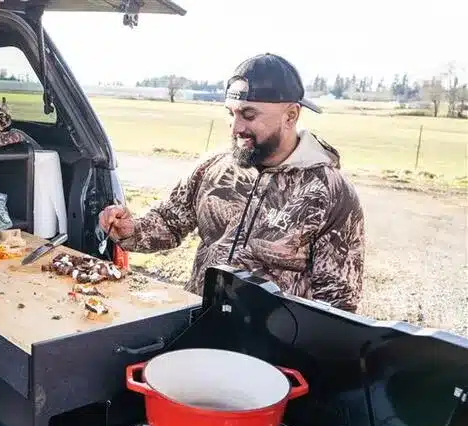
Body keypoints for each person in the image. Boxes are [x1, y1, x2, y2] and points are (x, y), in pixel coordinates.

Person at [99, 53, 365, 312]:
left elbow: (336, 303)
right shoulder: (213, 166)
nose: (236, 128)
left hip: (272, 345)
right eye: (231, 114)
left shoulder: (331, 193)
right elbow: (170, 222)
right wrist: (131, 230)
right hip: (197, 321)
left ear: (291, 115)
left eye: (249, 115)